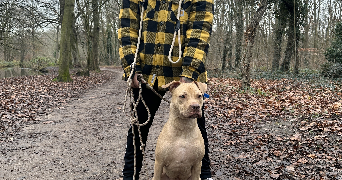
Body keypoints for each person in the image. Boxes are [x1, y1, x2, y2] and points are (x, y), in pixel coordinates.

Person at [118, 0, 214, 179]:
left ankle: (205, 175)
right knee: (138, 129)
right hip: (146, 72)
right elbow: (127, 25)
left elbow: (201, 26)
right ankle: (129, 176)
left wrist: (190, 70)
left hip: (186, 69)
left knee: (197, 127)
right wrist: (131, 66)